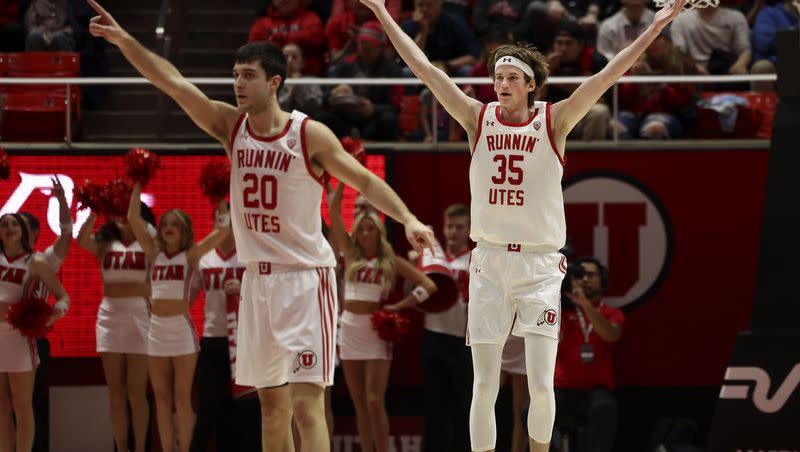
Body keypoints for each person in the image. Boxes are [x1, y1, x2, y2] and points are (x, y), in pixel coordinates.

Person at [86, 3, 434, 452]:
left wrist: (408, 218)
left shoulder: (308, 135)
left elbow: (364, 179)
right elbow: (171, 83)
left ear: (275, 82)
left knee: (308, 406)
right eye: (234, 75)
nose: (237, 84)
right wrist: (124, 41)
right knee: (272, 410)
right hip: (257, 286)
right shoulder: (230, 127)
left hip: (306, 281)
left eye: (247, 75)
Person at [358, 0, 684, 449]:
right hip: (490, 261)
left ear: (531, 84)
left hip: (538, 265)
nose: (503, 84)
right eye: (498, 77)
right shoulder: (477, 117)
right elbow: (424, 69)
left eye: (512, 77)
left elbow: (609, 74)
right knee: (484, 385)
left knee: (541, 383)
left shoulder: (556, 119)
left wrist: (657, 25)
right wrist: (380, 10)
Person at [328, 182, 436, 452]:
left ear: (379, 230)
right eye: (361, 228)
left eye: (370, 227)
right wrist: (343, 182)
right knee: (359, 401)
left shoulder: (392, 261)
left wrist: (398, 306)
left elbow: (429, 286)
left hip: (376, 332)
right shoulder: (351, 255)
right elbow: (335, 215)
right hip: (348, 329)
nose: (365, 232)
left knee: (375, 400)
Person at [127, 182, 231, 452]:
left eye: (175, 224)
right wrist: (138, 182)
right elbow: (132, 218)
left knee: (182, 399)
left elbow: (223, 230)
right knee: (161, 400)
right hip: (156, 331)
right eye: (164, 224)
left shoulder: (192, 255)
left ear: (185, 231)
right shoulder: (154, 253)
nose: (168, 228)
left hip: (182, 332)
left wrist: (220, 198)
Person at [77, 201, 157, 452]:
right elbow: (81, 240)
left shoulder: (148, 243)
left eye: (128, 214)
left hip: (140, 317)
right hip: (109, 317)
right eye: (119, 214)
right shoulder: (105, 244)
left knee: (136, 393)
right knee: (116, 392)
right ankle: (121, 448)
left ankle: (142, 447)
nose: (123, 218)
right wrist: (95, 208)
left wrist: (132, 210)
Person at [0, 213, 69, 452]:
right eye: (3, 224)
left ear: (23, 231)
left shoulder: (36, 262)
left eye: (14, 223)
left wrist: (55, 313)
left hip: (20, 339)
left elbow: (63, 297)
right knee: (1, 407)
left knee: (22, 405)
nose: (9, 227)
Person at [18, 176, 72, 452]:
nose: (15, 232)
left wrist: (62, 200)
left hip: (33, 340)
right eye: (12, 227)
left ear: (35, 234)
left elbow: (65, 236)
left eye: (23, 228)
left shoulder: (43, 261)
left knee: (30, 403)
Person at [190, 203, 246, 452]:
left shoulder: (249, 255)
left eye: (229, 219)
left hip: (244, 341)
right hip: (212, 339)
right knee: (207, 409)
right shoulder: (204, 257)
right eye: (219, 219)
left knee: (244, 409)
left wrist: (244, 290)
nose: (224, 224)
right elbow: (187, 297)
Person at [553, 257, 623, 452]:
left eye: (591, 275)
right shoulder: (562, 312)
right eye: (580, 275)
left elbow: (611, 335)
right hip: (562, 389)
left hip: (596, 390)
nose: (585, 279)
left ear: (602, 280)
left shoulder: (611, 313)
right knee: (530, 411)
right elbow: (553, 337)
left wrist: (585, 305)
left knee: (604, 409)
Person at [420, 203, 472, 452]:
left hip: (463, 342)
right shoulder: (431, 256)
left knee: (464, 407)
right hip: (434, 336)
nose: (453, 232)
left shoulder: (475, 260)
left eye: (459, 227)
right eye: (449, 226)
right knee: (435, 405)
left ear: (469, 229)